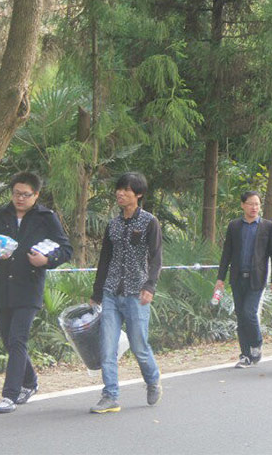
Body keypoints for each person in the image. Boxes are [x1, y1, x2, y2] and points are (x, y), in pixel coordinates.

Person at [0, 172, 72, 414]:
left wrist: (46, 259)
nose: (19, 199)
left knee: (18, 338)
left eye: (25, 195)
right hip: (3, 286)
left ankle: (10, 395)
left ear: (36, 195)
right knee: (9, 340)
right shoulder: (0, 215)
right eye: (16, 193)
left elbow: (66, 249)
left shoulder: (45, 217)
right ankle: (30, 382)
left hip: (30, 287)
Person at [90, 172, 163, 413]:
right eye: (119, 189)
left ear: (138, 194)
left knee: (139, 346)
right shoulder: (113, 224)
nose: (120, 193)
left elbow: (155, 259)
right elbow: (105, 260)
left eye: (126, 190)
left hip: (137, 294)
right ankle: (110, 395)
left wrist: (149, 286)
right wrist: (97, 292)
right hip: (111, 292)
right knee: (107, 347)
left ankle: (152, 380)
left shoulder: (149, 222)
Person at [215, 191, 272, 368]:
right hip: (237, 277)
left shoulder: (268, 227)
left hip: (257, 278)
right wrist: (220, 278)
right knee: (240, 316)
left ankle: (256, 344)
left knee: (249, 313)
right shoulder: (234, 226)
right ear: (243, 205)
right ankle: (245, 355)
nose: (254, 208)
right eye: (251, 204)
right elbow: (226, 254)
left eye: (257, 204)